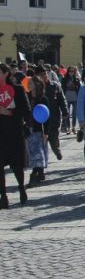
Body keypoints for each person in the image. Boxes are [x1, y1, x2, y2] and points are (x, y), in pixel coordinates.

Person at [0, 64, 31, 207]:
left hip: (14, 131)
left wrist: (9, 112)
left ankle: (21, 187)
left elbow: (26, 111)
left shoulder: (17, 89)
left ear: (6, 73)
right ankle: (3, 196)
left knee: (16, 164)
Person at [35, 65, 67, 161]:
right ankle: (42, 158)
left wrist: (65, 111)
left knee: (53, 136)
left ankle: (57, 151)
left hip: (54, 116)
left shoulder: (55, 85)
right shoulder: (35, 87)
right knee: (42, 138)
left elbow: (62, 99)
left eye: (45, 74)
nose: (44, 76)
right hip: (41, 118)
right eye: (41, 75)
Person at [26, 76, 50, 186]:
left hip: (39, 129)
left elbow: (47, 116)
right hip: (29, 128)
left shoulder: (43, 99)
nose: (29, 85)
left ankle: (35, 174)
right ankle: (40, 172)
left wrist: (46, 132)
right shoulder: (27, 97)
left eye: (31, 83)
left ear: (36, 84)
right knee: (33, 152)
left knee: (38, 152)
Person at [61, 66, 81, 134]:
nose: (71, 73)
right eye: (70, 71)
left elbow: (79, 88)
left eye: (73, 71)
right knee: (67, 113)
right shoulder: (64, 79)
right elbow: (62, 88)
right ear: (68, 71)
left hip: (75, 97)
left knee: (74, 114)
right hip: (67, 97)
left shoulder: (77, 79)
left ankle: (73, 127)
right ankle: (68, 128)